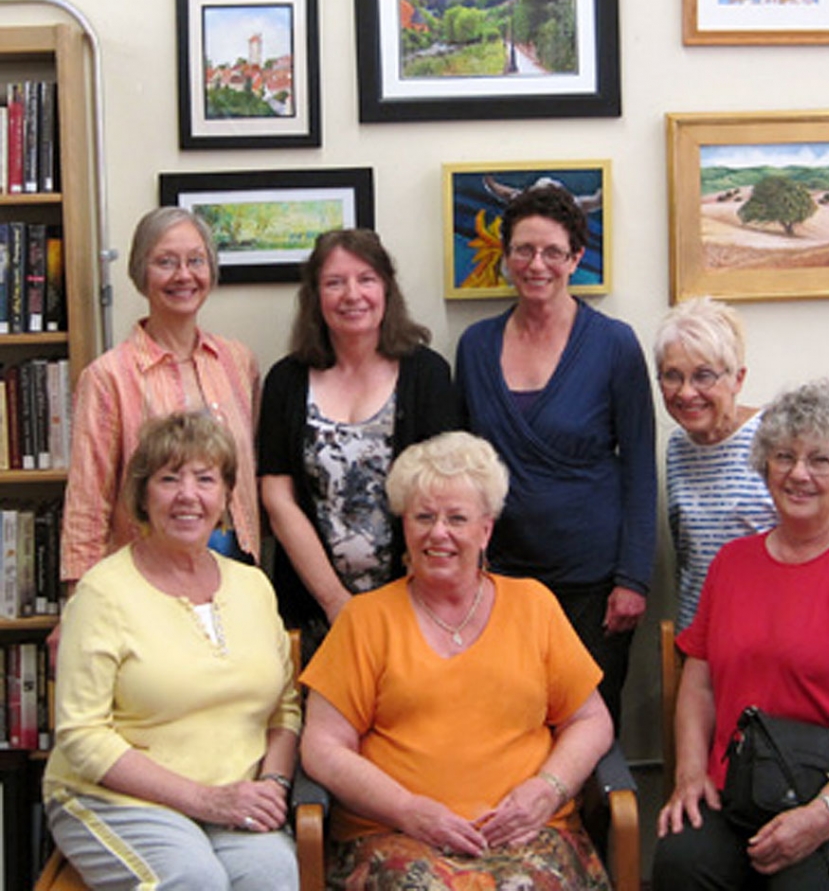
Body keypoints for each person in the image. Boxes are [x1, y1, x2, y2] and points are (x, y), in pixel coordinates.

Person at [653, 379, 829, 891]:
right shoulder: (732, 565)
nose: (798, 474)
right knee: (682, 864)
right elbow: (698, 687)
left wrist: (825, 813)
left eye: (820, 461)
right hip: (743, 783)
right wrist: (690, 774)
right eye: (784, 456)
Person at [300, 431, 614, 890]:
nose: (438, 532)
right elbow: (323, 747)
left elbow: (591, 720)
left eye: (457, 518)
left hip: (528, 834)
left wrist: (547, 789)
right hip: (398, 836)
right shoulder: (365, 620)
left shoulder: (533, 605)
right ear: (404, 525)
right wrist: (407, 809)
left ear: (486, 529)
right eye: (423, 516)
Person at [44, 412, 301, 891]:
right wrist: (204, 800)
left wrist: (274, 784)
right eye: (169, 479)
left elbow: (285, 709)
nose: (188, 495)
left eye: (205, 479)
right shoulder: (103, 593)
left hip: (235, 794)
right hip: (117, 798)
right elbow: (81, 735)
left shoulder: (253, 587)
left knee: (274, 874)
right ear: (143, 496)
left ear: (225, 497)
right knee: (192, 879)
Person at [455, 182, 656, 728]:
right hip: (501, 579)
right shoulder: (474, 346)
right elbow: (464, 470)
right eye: (522, 249)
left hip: (593, 582)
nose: (535, 263)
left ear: (576, 259)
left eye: (551, 252)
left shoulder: (614, 343)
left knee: (589, 725)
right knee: (506, 721)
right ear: (505, 256)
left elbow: (640, 466)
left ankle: (598, 816)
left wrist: (633, 579)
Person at [258, 228, 458, 660]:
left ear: (386, 287)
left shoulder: (427, 375)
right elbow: (277, 498)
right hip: (312, 608)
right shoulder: (285, 381)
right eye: (335, 282)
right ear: (315, 296)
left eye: (366, 279)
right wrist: (336, 603)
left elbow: (445, 496)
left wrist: (397, 605)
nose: (353, 294)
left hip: (416, 606)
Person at [61, 206, 260, 587]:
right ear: (141, 273)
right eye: (166, 262)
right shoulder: (108, 377)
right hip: (147, 575)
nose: (183, 275)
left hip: (236, 565)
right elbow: (88, 504)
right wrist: (79, 600)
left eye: (196, 261)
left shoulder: (238, 362)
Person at [653, 296, 776, 630]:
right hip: (699, 643)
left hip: (770, 640)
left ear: (738, 378)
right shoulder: (679, 447)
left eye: (703, 376)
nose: (686, 392)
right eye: (672, 376)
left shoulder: (778, 438)